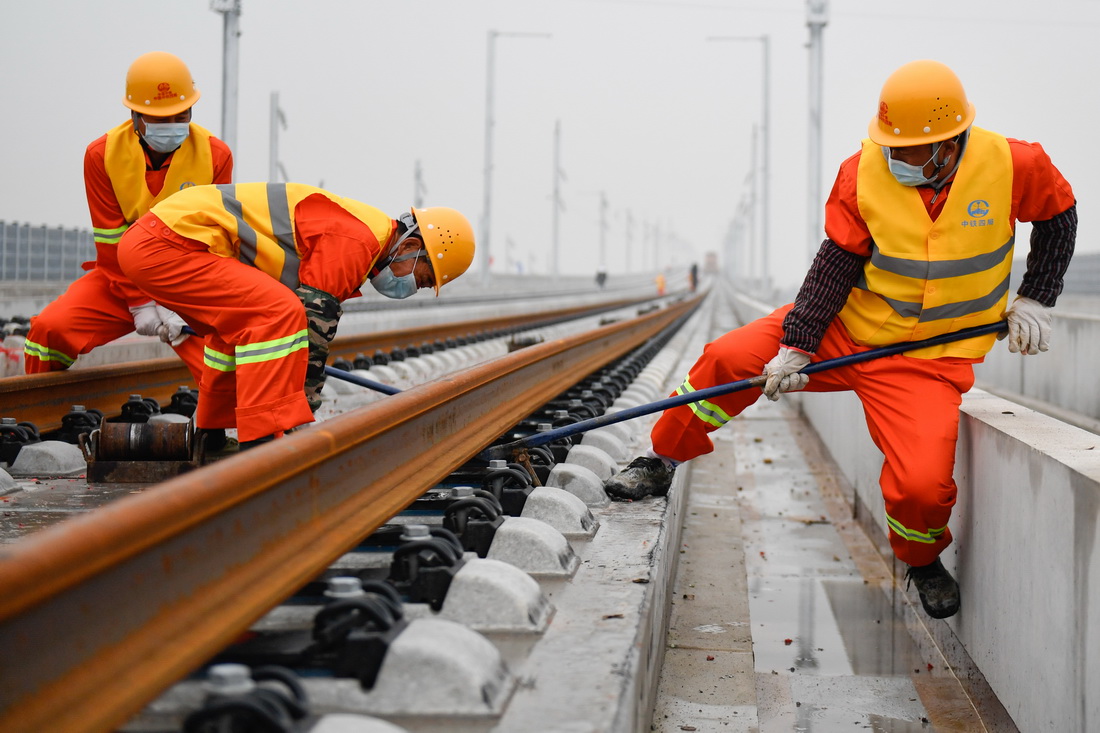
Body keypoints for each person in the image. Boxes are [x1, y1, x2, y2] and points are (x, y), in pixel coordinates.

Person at [603, 60, 1077, 620]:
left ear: (947, 145)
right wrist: (798, 343)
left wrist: (1037, 297)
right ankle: (661, 459)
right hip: (847, 328)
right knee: (728, 358)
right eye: (890, 148)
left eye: (906, 152)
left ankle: (921, 560)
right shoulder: (863, 172)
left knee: (922, 486)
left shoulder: (1015, 164)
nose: (894, 160)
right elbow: (837, 262)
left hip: (924, 362)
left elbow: (1059, 217)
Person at [115, 182, 476, 448]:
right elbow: (311, 331)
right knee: (279, 312)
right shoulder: (357, 241)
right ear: (410, 247)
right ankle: (260, 445)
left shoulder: (364, 239)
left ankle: (211, 432)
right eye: (422, 278)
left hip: (159, 242)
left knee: (237, 331)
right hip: (169, 244)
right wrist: (300, 416)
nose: (414, 287)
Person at [23, 51, 232, 383]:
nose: (172, 125)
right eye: (160, 118)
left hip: (187, 285)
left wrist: (176, 299)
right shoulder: (102, 155)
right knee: (49, 331)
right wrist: (140, 302)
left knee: (222, 367)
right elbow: (110, 240)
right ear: (134, 114)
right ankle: (29, 411)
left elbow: (214, 240)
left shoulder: (215, 155)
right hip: (121, 280)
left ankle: (228, 429)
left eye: (181, 115)